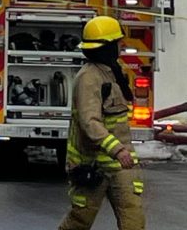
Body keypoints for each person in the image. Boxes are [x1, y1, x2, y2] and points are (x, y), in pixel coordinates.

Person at [58, 16, 144, 230]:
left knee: (134, 221)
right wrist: (117, 150)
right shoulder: (89, 77)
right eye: (117, 43)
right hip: (93, 165)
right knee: (80, 221)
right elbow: (90, 121)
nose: (120, 47)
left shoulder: (112, 71)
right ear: (106, 47)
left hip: (121, 167)